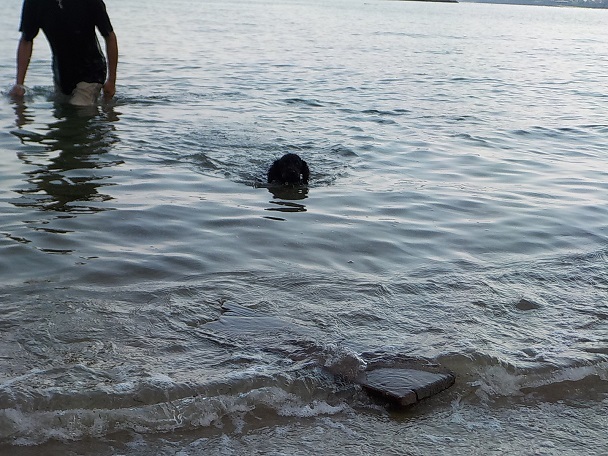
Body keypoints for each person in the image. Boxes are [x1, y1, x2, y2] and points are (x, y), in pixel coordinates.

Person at [9, 0, 118, 106]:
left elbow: (110, 36)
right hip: (61, 72)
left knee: (79, 106)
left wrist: (111, 81)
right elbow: (26, 40)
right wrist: (19, 84)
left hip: (92, 70)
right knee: (61, 113)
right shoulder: (34, 2)